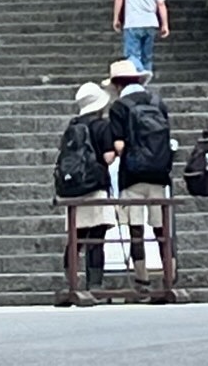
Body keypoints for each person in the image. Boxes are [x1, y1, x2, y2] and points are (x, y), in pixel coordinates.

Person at [105, 58, 174, 297]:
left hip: (133, 176)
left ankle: (142, 279)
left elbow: (119, 146)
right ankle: (169, 275)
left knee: (136, 229)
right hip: (159, 174)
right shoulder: (158, 102)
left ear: (116, 85)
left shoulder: (119, 107)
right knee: (160, 228)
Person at [57, 81, 116, 300]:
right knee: (96, 238)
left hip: (74, 189)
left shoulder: (72, 127)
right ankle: (94, 285)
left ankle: (70, 280)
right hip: (95, 187)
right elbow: (109, 157)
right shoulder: (102, 126)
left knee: (77, 237)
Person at [112, 0, 169, 77]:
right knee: (147, 57)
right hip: (150, 23)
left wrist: (116, 18)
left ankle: (139, 77)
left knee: (132, 55)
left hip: (133, 21)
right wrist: (165, 24)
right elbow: (161, 3)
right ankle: (145, 82)